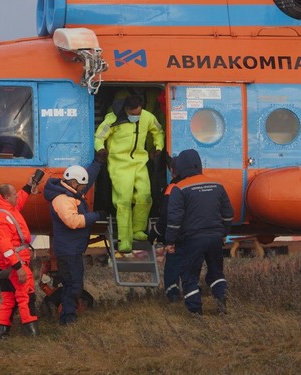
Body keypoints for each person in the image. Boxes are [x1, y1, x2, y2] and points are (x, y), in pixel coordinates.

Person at [164, 149, 234, 315]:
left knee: (189, 275)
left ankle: (195, 310)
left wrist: (170, 242)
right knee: (216, 272)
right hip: (216, 237)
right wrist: (224, 233)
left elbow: (174, 220)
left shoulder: (179, 189)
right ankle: (221, 296)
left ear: (180, 167)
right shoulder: (217, 185)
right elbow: (228, 214)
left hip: (193, 239)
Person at [95, 94, 165, 252]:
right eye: (134, 114)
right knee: (123, 201)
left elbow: (158, 131)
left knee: (145, 197)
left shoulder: (147, 117)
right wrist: (101, 149)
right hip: (119, 164)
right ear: (126, 110)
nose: (137, 116)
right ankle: (124, 240)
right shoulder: (112, 119)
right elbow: (99, 136)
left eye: (139, 113)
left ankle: (137, 230)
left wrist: (158, 147)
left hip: (140, 162)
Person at [43, 162, 107, 324]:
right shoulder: (62, 199)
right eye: (81, 186)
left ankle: (67, 315)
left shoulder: (70, 192)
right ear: (73, 183)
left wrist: (97, 163)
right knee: (74, 284)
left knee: (71, 283)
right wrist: (96, 216)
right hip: (69, 251)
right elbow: (72, 221)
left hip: (70, 250)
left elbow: (86, 184)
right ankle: (68, 318)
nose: (83, 189)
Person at [0, 173, 42, 338]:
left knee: (9, 298)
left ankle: (2, 333)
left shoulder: (6, 208)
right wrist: (18, 267)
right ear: (6, 197)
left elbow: (19, 200)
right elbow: (5, 246)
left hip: (5, 262)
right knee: (26, 296)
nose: (16, 196)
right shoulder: (1, 217)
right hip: (13, 262)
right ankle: (31, 332)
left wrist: (27, 186)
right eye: (13, 193)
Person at [148, 156, 184, 303]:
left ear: (172, 171)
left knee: (172, 266)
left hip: (176, 236)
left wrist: (154, 234)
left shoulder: (171, 189)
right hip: (193, 235)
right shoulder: (191, 185)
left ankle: (173, 295)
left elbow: (165, 217)